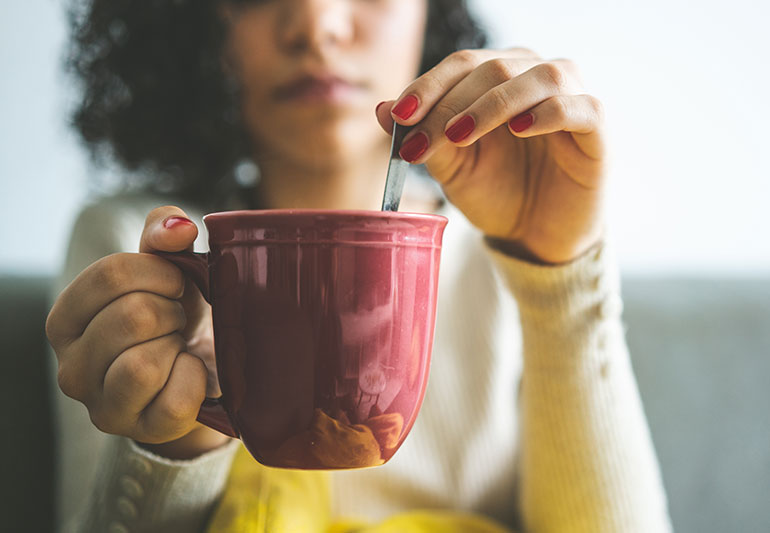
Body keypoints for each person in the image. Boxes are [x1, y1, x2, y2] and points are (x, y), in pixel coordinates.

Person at [46, 0, 672, 531]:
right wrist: (178, 435)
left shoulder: (505, 250)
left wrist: (559, 274)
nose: (316, 25)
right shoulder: (137, 252)